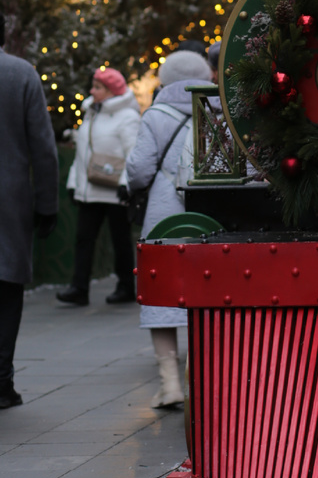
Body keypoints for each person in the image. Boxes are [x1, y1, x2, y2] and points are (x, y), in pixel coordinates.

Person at [0, 5, 59, 410]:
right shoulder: (21, 73)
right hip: (8, 199)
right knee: (7, 291)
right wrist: (47, 204)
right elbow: (43, 148)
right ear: (2, 36)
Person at [125, 49, 212, 408]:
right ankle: (200, 379)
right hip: (212, 211)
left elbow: (139, 169)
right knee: (206, 292)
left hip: (164, 212)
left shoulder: (156, 114)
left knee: (162, 291)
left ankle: (170, 383)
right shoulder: (219, 110)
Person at [56, 67, 141, 307]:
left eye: (98, 87)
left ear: (112, 91)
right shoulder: (92, 113)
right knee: (84, 238)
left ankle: (126, 285)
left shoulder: (127, 117)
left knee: (120, 240)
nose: (92, 91)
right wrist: (74, 183)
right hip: (90, 190)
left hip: (114, 190)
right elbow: (83, 153)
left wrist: (126, 183)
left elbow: (133, 153)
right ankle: (79, 287)